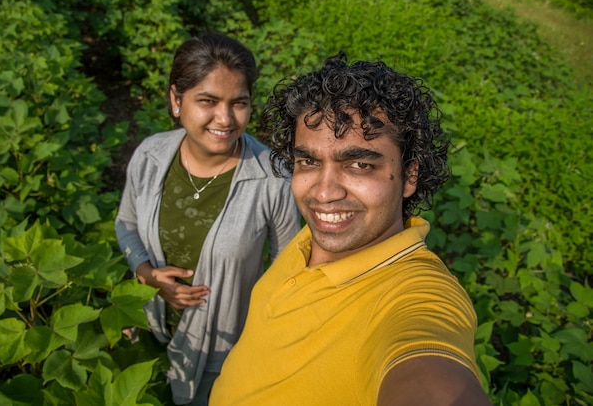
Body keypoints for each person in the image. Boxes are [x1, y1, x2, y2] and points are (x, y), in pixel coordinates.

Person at [209, 53, 493, 405]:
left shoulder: (415, 293)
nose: (324, 193)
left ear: (410, 176)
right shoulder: (312, 237)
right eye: (308, 161)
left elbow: (432, 373)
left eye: (360, 164)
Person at [114, 33, 301, 406]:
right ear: (175, 100)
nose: (225, 118)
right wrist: (147, 273)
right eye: (208, 101)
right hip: (148, 326)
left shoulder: (273, 179)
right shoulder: (151, 156)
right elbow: (127, 222)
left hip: (223, 349)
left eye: (239, 103)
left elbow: (287, 272)